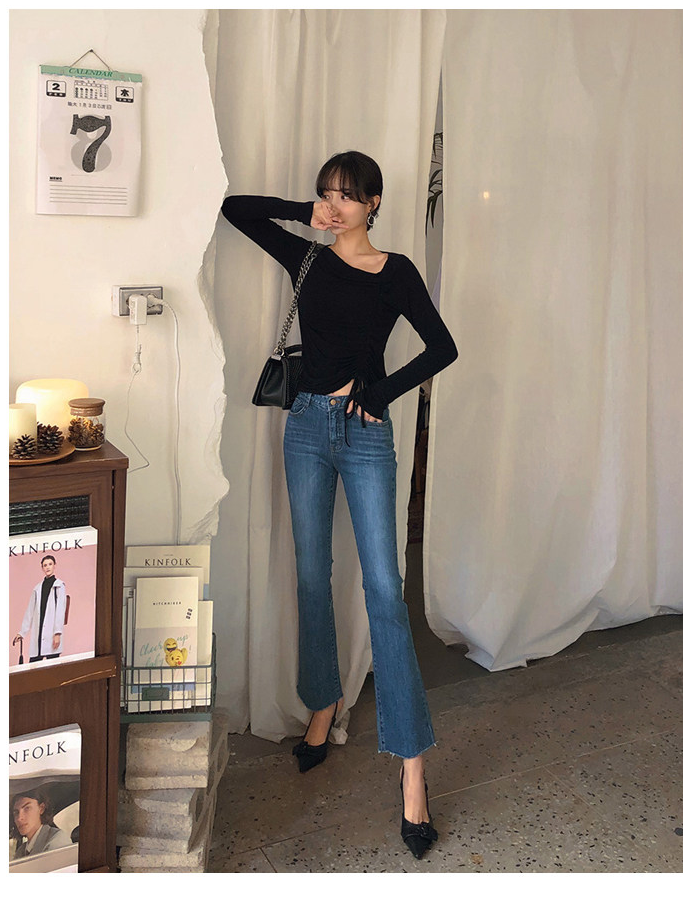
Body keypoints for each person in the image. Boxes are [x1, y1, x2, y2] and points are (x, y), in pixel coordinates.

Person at [221, 150, 458, 859]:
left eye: (348, 195)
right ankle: (322, 703)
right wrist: (304, 214)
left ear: (374, 203)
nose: (335, 205)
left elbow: (441, 347)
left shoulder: (396, 272)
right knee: (311, 576)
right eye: (326, 193)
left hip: (363, 435)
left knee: (385, 589)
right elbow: (234, 210)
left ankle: (412, 769)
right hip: (304, 429)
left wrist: (379, 393)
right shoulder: (307, 259)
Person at [12, 554, 67, 663]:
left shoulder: (59, 586)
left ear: (54, 565)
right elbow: (30, 611)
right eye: (45, 565)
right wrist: (22, 632)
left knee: (53, 666)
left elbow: (60, 611)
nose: (48, 567)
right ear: (42, 568)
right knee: (34, 664)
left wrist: (57, 633)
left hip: (52, 632)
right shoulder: (37, 588)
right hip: (38, 631)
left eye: (50, 564)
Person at [10, 788, 73, 859]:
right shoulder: (21, 851)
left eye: (27, 808)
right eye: (16, 812)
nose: (19, 818)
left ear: (41, 808)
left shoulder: (57, 840)